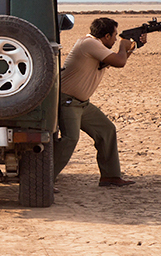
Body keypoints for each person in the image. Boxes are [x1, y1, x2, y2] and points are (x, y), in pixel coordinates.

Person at [54, 17, 143, 187]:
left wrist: (135, 46)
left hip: (81, 104)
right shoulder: (89, 44)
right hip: (68, 102)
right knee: (70, 139)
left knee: (106, 130)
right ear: (106, 36)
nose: (116, 39)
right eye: (115, 36)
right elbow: (120, 61)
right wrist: (123, 46)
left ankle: (110, 176)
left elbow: (116, 60)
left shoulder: (95, 45)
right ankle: (44, 179)